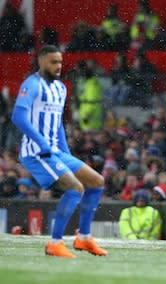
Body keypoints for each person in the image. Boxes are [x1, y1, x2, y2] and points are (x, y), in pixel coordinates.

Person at [11, 45, 107, 259]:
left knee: (97, 181)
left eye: (61, 62)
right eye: (53, 62)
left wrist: (66, 152)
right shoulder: (32, 84)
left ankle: (83, 237)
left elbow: (58, 124)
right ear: (41, 61)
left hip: (55, 151)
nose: (58, 66)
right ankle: (55, 243)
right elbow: (18, 117)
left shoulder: (61, 88)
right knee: (75, 188)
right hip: (37, 152)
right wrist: (42, 143)